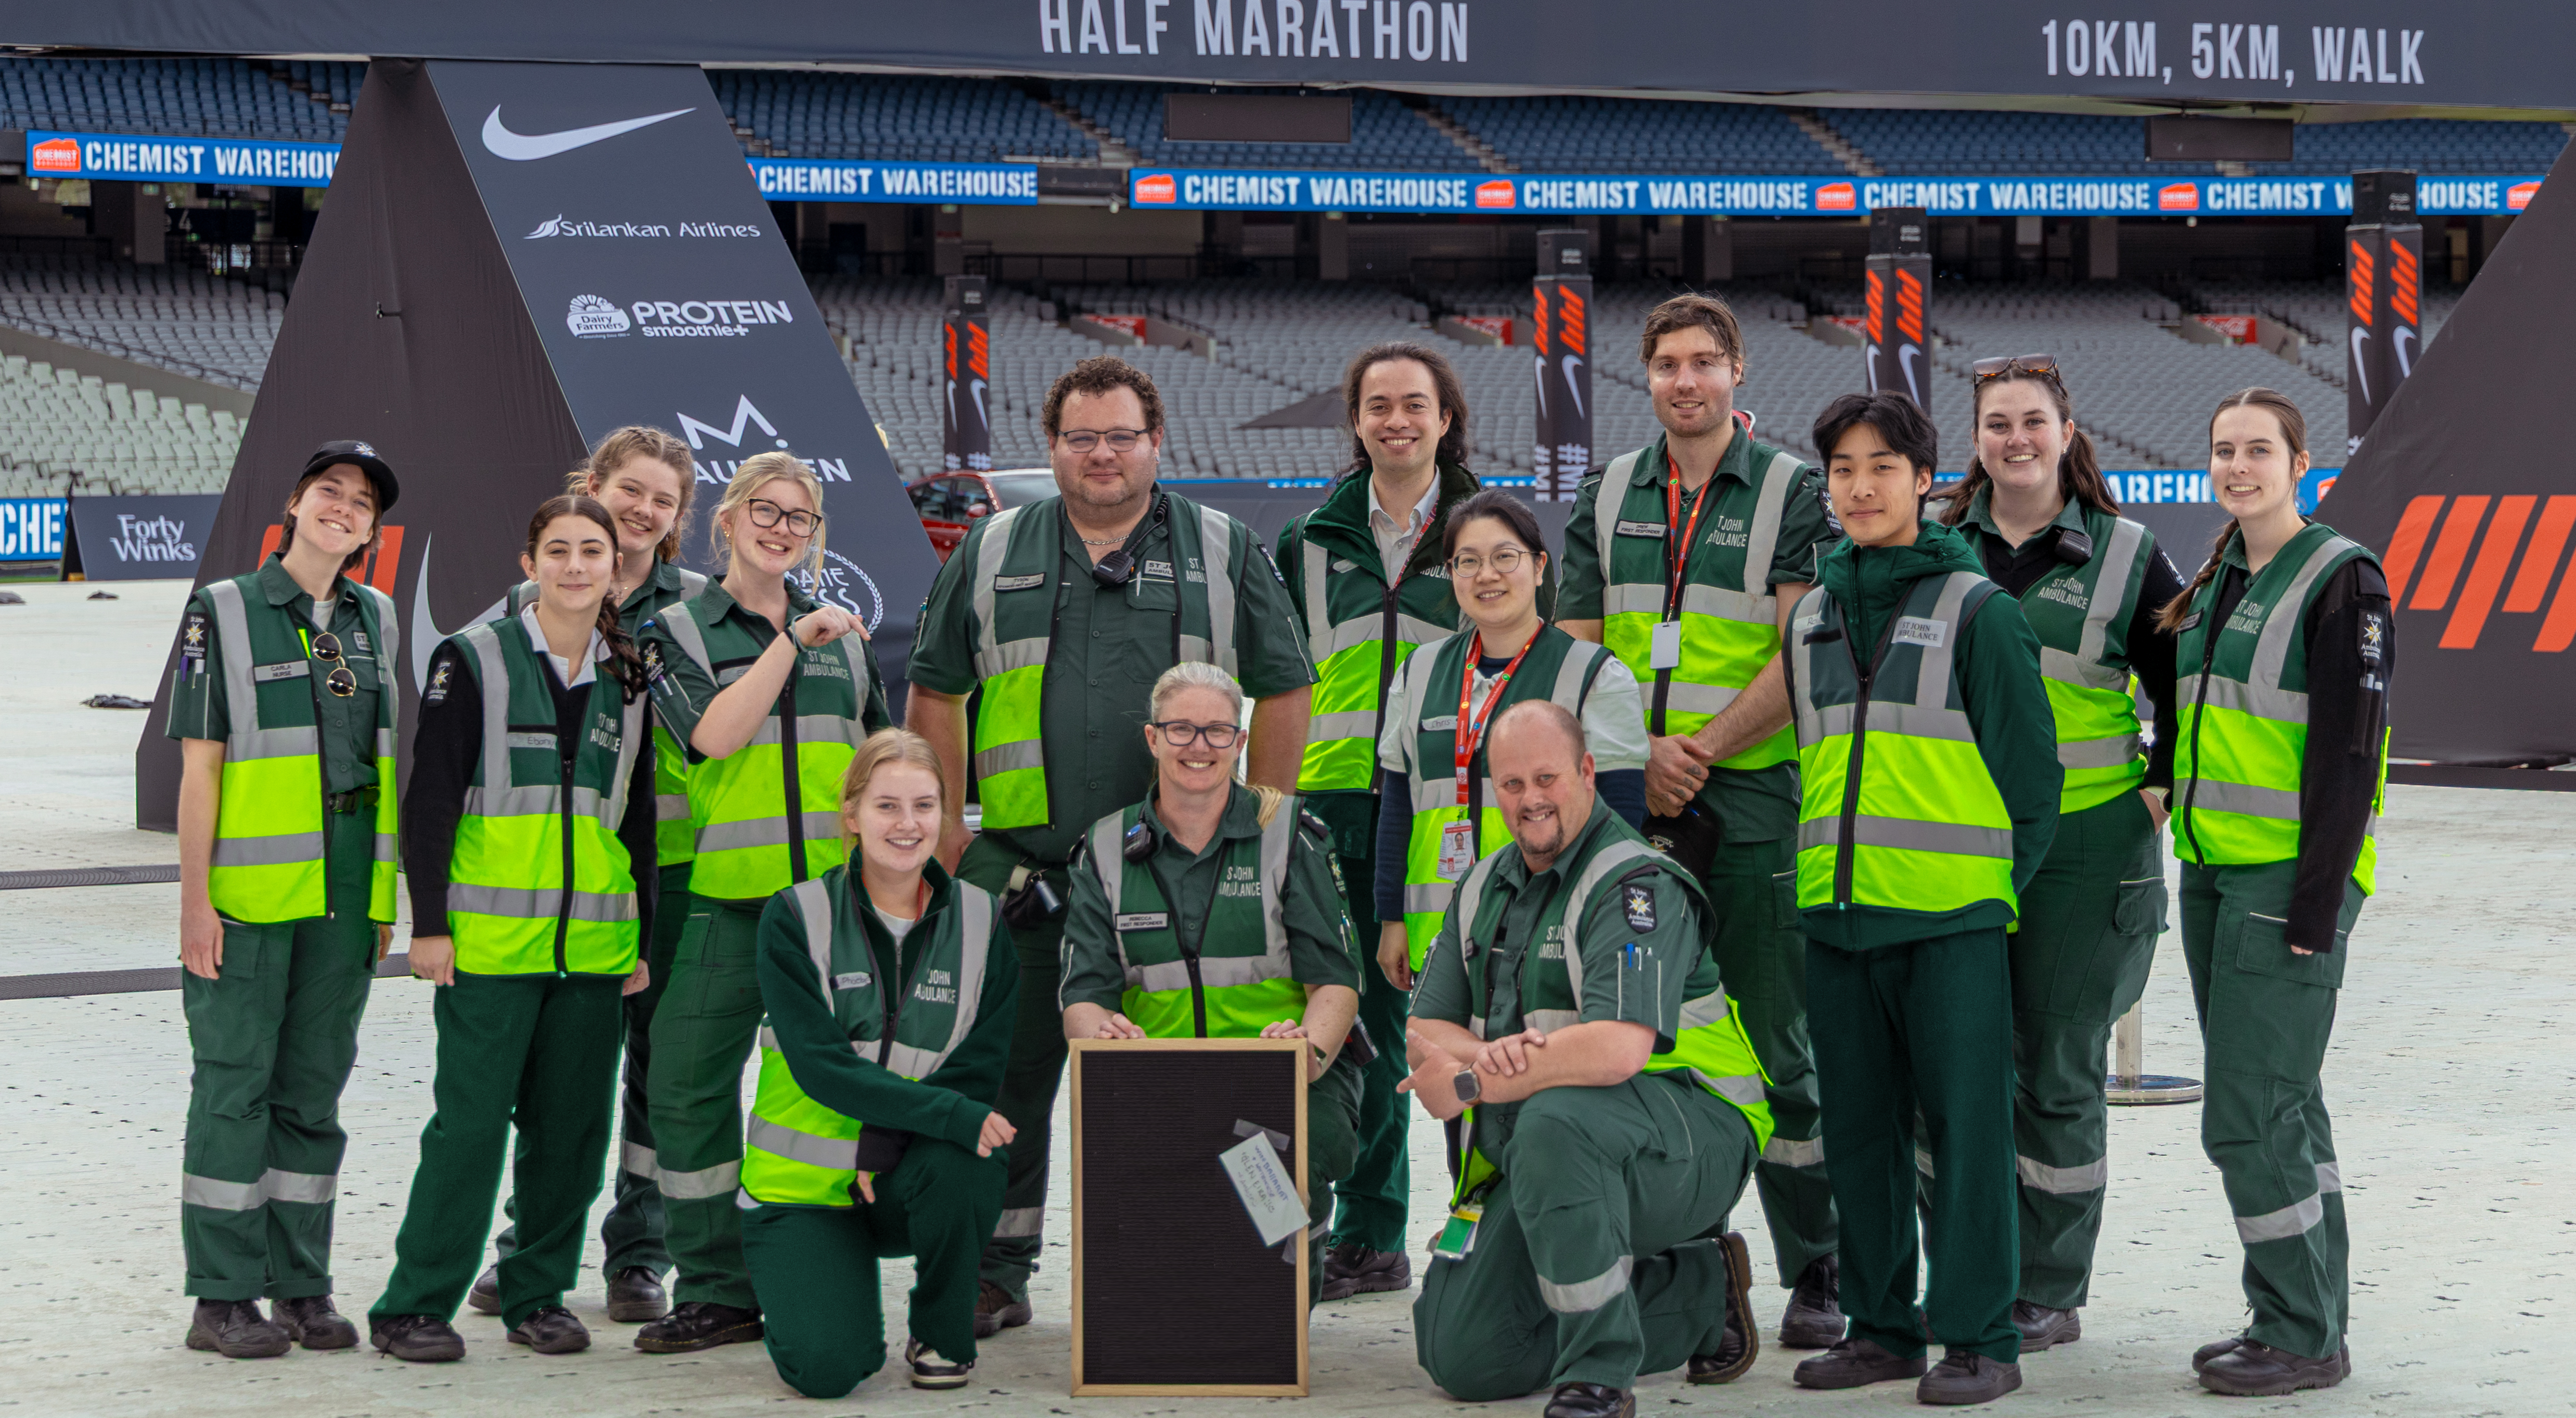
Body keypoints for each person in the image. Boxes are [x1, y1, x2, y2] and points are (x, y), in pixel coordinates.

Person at [905, 355, 1315, 1336]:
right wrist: (951, 843)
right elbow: (934, 692)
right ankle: (999, 1267)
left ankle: (1233, 1260)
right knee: (1002, 1077)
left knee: (1202, 1079)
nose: (1102, 454)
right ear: (1052, 448)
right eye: (1081, 437)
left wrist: (1265, 819)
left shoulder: (1220, 547)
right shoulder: (993, 546)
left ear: (1155, 443)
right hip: (1023, 874)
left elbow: (1288, 684)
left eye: (1121, 435)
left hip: (1182, 875)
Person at [1557, 293, 1846, 1345]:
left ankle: (1819, 1265)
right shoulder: (1606, 492)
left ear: (1738, 373)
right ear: (1646, 378)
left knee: (1775, 1044)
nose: (1686, 380)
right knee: (1639, 1031)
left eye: (1704, 362)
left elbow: (1801, 649)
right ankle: (1682, 1259)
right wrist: (1640, 762)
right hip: (1629, 801)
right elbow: (1577, 655)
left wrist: (1705, 749)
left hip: (1753, 794)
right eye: (1667, 364)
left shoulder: (1791, 493)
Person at [1783, 392, 2059, 1404]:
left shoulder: (1978, 612)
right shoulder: (1811, 616)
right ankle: (1884, 1330)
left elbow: (2033, 792)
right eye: (1843, 470)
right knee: (1857, 1135)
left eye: (1882, 467)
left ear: (1924, 483)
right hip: (1838, 925)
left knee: (1970, 1138)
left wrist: (1981, 901)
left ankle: (1983, 1338)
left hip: (1950, 931)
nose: (1860, 487)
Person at [1403, 699, 1774, 1418]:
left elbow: (1616, 1045)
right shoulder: (1479, 886)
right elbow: (1424, 1025)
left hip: (1691, 1133)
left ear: (1585, 771)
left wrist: (1475, 1076)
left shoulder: (1636, 883)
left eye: (1546, 778)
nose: (1529, 800)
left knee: (1554, 1121)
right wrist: (1487, 1053)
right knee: (1463, 1354)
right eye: (1510, 785)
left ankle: (1599, 1375)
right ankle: (1695, 1292)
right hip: (1547, 1144)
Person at [368, 496, 658, 1362]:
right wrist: (431, 924)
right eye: (559, 551)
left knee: (570, 1133)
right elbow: (430, 795)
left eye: (592, 552)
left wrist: (638, 940)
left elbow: (637, 814)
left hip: (595, 949)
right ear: (530, 563)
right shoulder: (475, 658)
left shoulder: (628, 672)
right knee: (469, 1129)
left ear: (616, 567)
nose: (576, 567)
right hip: (490, 944)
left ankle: (538, 1294)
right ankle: (413, 1306)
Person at [1938, 357, 2184, 1351]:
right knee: (1957, 1068)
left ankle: (2048, 1287)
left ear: (2067, 430)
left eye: (2032, 421)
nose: (2015, 439)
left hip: (2085, 848)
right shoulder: (1934, 546)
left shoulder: (2127, 555)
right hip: (1953, 837)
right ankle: (1969, 1267)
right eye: (1997, 423)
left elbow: (2181, 678)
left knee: (2056, 1072)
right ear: (1976, 439)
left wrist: (2162, 780)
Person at [634, 452, 893, 1353]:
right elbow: (712, 736)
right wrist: (791, 640)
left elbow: (881, 764)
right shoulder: (676, 628)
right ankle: (715, 1286)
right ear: (729, 518)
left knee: (818, 1103)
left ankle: (808, 1267)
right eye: (767, 512)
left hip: (828, 914)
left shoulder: (848, 638)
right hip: (724, 904)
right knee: (684, 1088)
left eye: (801, 519)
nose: (783, 530)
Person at [2164, 388, 2389, 1398]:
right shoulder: (2218, 577)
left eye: (2259, 450)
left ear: (2300, 462)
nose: (2238, 466)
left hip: (2283, 883)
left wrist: (2314, 903)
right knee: (2289, 1108)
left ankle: (2299, 1334)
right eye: (2224, 450)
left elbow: (2351, 752)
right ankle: (2305, 1314)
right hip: (2213, 874)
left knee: (2247, 1116)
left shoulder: (2343, 580)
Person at [166, 440, 403, 1360]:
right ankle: (221, 1297)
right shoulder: (222, 610)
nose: (344, 508)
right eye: (329, 492)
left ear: (373, 529)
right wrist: (194, 903)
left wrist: (382, 891)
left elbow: (379, 764)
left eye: (362, 503)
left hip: (347, 887)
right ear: (295, 503)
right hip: (251, 889)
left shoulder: (376, 616)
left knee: (313, 1093)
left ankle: (303, 1285)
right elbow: (201, 771)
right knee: (235, 1091)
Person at [471, 426, 705, 1326]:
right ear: (594, 485)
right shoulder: (526, 602)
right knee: (559, 1075)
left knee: (656, 1072)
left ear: (679, 521)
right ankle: (530, 1245)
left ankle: (638, 1254)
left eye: (663, 501)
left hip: (672, 876)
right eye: (631, 490)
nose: (643, 511)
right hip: (558, 880)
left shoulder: (699, 609)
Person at [1275, 341, 1488, 1304]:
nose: (1396, 420)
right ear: (1355, 422)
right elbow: (1277, 684)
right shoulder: (1306, 542)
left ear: (1446, 418)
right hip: (1330, 813)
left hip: (1451, 814)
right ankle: (1368, 1235)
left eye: (1415, 404)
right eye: (1376, 405)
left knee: (1443, 1029)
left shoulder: (1489, 531)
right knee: (1355, 1022)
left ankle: (1485, 1230)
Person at [1058, 662, 1363, 1297]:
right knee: (1162, 1278)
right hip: (1160, 1083)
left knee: (1263, 1175)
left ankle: (1269, 1299)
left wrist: (1303, 1054)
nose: (1199, 746)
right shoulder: (1105, 847)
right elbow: (1083, 993)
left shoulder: (1288, 834)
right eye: (1181, 729)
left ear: (1241, 743)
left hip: (1276, 1083)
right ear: (1151, 739)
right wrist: (1102, 1040)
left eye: (1217, 731)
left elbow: (1335, 983)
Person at [738, 730, 1021, 1397]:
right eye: (887, 806)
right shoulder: (795, 916)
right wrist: (909, 1127)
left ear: (944, 813)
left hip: (901, 1179)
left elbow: (975, 1071)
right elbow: (820, 1065)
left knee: (975, 1148)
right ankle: (809, 1286)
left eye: (924, 806)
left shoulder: (982, 921)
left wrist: (885, 1144)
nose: (907, 824)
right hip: (803, 1190)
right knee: (829, 1369)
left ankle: (941, 1330)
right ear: (852, 813)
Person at [1374, 488, 1646, 993]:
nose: (1487, 575)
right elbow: (1397, 807)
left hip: (1550, 931)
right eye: (1468, 561)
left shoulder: (1593, 673)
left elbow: (1623, 817)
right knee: (1445, 1070)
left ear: (1540, 566)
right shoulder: (1418, 672)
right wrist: (1391, 917)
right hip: (1438, 932)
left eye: (1505, 557)